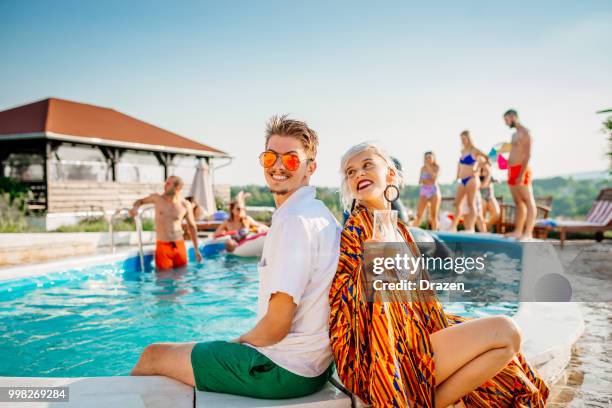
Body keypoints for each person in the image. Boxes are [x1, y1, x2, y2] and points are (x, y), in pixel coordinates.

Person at [131, 115, 341, 400]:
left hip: (279, 370)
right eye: (270, 157)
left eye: (291, 159)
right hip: (316, 369)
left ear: (310, 168)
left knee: (153, 355)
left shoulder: (293, 221)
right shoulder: (320, 214)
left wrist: (238, 342)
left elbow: (277, 326)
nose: (278, 166)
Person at [329, 142, 548, 407]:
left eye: (366, 165)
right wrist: (372, 263)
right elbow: (342, 304)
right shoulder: (358, 227)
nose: (357, 175)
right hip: (386, 355)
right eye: (350, 172)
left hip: (416, 338)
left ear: (389, 174)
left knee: (508, 358)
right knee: (506, 331)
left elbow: (421, 302)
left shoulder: (401, 231)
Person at [129, 176, 202, 270]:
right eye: (166, 183)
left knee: (182, 278)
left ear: (177, 187)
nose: (165, 185)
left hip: (179, 245)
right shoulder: (157, 199)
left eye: (168, 183)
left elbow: (192, 226)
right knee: (164, 279)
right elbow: (139, 201)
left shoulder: (185, 204)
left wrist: (196, 249)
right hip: (163, 246)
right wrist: (135, 208)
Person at [503, 109, 536, 239]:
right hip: (511, 170)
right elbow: (514, 152)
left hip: (522, 170)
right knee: (518, 203)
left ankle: (528, 232)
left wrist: (521, 174)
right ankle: (518, 231)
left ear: (513, 117)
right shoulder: (514, 135)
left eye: (506, 120)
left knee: (528, 200)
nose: (506, 123)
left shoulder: (526, 133)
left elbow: (528, 155)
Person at [451, 130, 489, 232]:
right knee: (457, 203)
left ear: (469, 138)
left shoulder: (474, 150)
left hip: (472, 179)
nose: (462, 141)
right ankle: (453, 227)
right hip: (462, 180)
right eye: (461, 139)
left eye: (464, 138)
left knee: (471, 203)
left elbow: (487, 158)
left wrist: (478, 166)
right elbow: (460, 165)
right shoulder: (463, 151)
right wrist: (457, 175)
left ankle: (471, 228)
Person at [412, 151, 441, 230]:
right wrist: (428, 180)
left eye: (430, 157)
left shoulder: (436, 167)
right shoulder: (422, 168)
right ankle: (412, 232)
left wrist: (428, 168)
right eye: (426, 158)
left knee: (434, 215)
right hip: (424, 191)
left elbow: (434, 179)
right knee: (419, 215)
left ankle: (435, 233)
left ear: (433, 158)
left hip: (434, 191)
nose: (428, 159)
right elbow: (420, 181)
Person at [478, 160, 500, 232]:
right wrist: (488, 175)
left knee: (496, 213)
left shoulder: (490, 175)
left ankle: (487, 227)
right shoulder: (478, 174)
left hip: (490, 197)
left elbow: (494, 181)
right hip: (481, 197)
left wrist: (494, 179)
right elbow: (482, 186)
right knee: (482, 216)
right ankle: (483, 231)